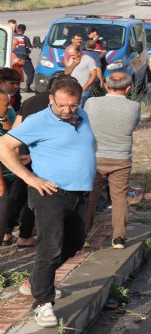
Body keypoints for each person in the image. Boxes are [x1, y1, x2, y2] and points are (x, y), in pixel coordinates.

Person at [0, 76, 95, 328]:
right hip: (49, 193)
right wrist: (29, 178)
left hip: (79, 194)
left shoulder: (82, 115)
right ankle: (43, 303)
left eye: (72, 105)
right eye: (62, 105)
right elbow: (4, 146)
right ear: (51, 98)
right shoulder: (38, 120)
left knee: (75, 242)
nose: (67, 110)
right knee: (50, 247)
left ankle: (36, 281)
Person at [83, 72, 140, 248]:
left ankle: (83, 235)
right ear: (128, 88)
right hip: (121, 157)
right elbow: (134, 125)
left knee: (90, 197)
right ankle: (119, 237)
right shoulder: (134, 106)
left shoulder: (91, 102)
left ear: (106, 86)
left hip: (95, 156)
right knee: (119, 197)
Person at [0, 92, 18, 246]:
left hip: (9, 175)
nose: (10, 107)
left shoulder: (3, 119)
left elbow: (9, 137)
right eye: (6, 104)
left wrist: (4, 118)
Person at [63, 38, 98, 106]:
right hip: (71, 88)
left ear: (79, 52)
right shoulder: (72, 59)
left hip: (82, 89)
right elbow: (66, 72)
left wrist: (84, 87)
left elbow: (93, 75)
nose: (71, 57)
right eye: (70, 55)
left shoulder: (89, 60)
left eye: (73, 55)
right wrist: (74, 64)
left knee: (79, 108)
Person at [13, 24, 34, 92]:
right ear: (24, 30)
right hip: (24, 58)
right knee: (30, 72)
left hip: (14, 57)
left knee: (15, 73)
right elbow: (30, 48)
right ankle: (27, 87)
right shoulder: (25, 38)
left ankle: (16, 87)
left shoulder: (12, 37)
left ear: (17, 29)